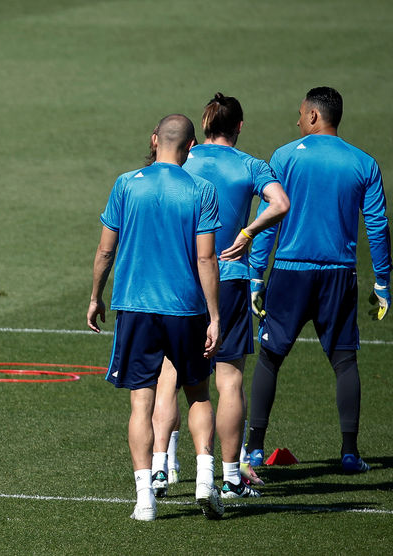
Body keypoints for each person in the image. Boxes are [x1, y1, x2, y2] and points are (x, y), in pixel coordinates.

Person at [149, 93, 290, 500]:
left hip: (179, 279)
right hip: (228, 278)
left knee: (170, 375)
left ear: (204, 126)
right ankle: (230, 478)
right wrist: (248, 233)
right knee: (229, 381)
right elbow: (280, 203)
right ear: (240, 127)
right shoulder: (249, 165)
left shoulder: (184, 159)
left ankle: (161, 468)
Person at [246, 86, 391, 474]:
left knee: (270, 358)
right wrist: (383, 282)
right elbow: (377, 225)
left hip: (290, 273)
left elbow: (268, 220)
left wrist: (255, 275)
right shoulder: (364, 163)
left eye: (300, 114)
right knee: (345, 361)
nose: (297, 121)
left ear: (313, 116)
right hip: (338, 275)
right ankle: (348, 453)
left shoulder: (284, 157)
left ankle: (254, 449)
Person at [87, 114, 224, 521]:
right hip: (185, 308)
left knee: (140, 403)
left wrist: (96, 296)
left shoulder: (127, 184)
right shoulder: (201, 189)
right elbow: (205, 257)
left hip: (135, 306)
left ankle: (144, 499)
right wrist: (215, 316)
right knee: (198, 393)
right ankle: (204, 480)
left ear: (154, 139)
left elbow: (105, 250)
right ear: (190, 146)